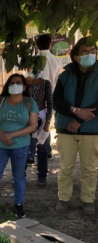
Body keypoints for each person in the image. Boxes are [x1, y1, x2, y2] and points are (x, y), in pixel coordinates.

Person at [0, 74, 39, 218]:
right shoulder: (0, 100)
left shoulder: (29, 102)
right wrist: (2, 135)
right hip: (0, 145)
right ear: (7, 86)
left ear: (24, 86)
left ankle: (19, 204)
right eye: (12, 82)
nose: (15, 85)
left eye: (18, 82)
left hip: (20, 146)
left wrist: (11, 135)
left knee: (19, 176)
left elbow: (33, 126)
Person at [53, 37, 98, 215]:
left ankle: (88, 200)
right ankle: (63, 198)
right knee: (65, 167)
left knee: (89, 167)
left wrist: (78, 119)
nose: (89, 54)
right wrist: (75, 111)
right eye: (85, 52)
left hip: (92, 128)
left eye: (92, 51)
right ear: (76, 56)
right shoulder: (65, 76)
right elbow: (56, 101)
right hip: (66, 128)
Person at [25, 68, 53, 186]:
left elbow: (50, 104)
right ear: (27, 69)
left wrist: (47, 122)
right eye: (32, 67)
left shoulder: (46, 83)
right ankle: (20, 175)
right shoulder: (22, 82)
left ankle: (42, 176)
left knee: (42, 147)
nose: (35, 70)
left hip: (41, 118)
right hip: (24, 118)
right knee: (23, 148)